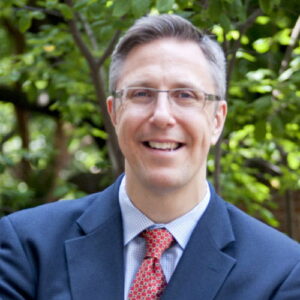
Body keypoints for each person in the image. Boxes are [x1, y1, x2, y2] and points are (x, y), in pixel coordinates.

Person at [1, 14, 300, 300]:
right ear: (114, 112)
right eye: (142, 93)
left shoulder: (283, 271)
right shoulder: (27, 247)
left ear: (217, 120)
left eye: (185, 95)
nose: (161, 116)